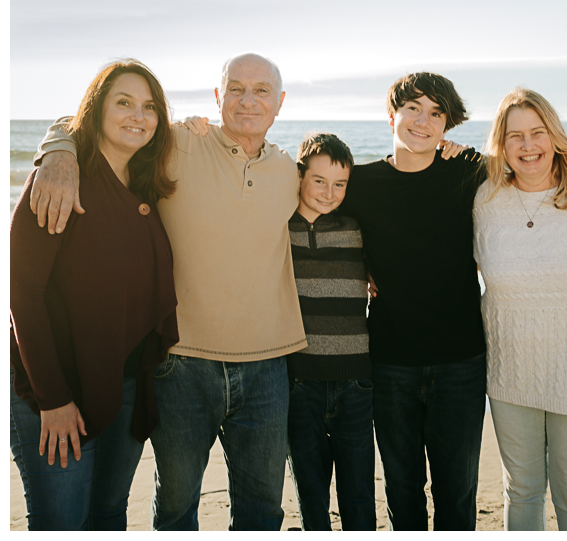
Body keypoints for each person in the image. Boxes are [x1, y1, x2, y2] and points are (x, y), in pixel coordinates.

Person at [28, 53, 307, 530]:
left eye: (262, 91)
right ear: (218, 97)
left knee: (263, 511)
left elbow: (346, 191)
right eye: (235, 88)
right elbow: (96, 123)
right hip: (178, 363)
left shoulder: (290, 169)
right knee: (176, 507)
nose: (247, 100)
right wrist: (57, 151)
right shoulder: (177, 143)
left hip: (267, 365)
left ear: (280, 102)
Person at [10, 60, 179, 530]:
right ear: (96, 108)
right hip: (54, 389)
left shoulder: (146, 182)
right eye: (122, 102)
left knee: (108, 518)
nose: (137, 115)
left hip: (125, 385)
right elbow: (23, 296)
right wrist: (54, 399)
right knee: (62, 525)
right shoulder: (59, 181)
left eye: (148, 107)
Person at [338, 72, 487, 529]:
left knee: (457, 492)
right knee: (402, 490)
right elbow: (306, 198)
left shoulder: (470, 171)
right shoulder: (361, 183)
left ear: (448, 126)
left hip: (460, 361)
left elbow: (534, 163)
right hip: (390, 360)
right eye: (414, 109)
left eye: (436, 113)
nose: (423, 121)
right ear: (392, 116)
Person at [473, 89, 567, 530]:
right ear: (501, 143)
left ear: (555, 136)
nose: (528, 146)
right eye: (515, 136)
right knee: (522, 489)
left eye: (537, 133)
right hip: (509, 373)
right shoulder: (483, 199)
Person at [286, 132, 375, 530]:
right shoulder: (276, 230)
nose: (329, 192)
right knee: (311, 495)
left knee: (358, 494)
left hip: (355, 381)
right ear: (299, 177)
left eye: (340, 184)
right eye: (319, 181)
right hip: (298, 381)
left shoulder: (358, 229)